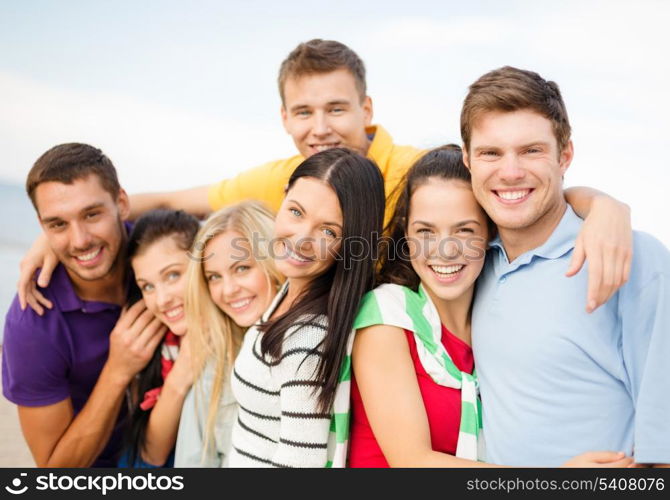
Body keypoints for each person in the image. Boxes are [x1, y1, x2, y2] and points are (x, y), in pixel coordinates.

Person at [19, 40, 634, 315]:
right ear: (284, 118)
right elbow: (174, 199)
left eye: (337, 108)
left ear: (367, 110)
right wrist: (62, 234)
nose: (321, 127)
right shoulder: (290, 179)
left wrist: (604, 206)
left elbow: (510, 186)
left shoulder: (419, 169)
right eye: (304, 112)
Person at [350, 146, 632, 468]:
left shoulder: (496, 311)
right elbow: (412, 461)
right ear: (406, 234)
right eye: (425, 231)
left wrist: (606, 207)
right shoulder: (387, 317)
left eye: (465, 230)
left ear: (490, 231)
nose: (445, 250)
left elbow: (547, 200)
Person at [461, 66, 670, 466]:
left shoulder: (635, 259)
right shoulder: (470, 263)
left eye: (531, 150)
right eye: (491, 152)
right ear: (467, 159)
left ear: (565, 156)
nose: (510, 171)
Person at [1, 143, 166, 467]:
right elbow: (54, 474)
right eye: (58, 224)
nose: (80, 241)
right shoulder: (33, 323)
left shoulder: (162, 254)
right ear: (42, 227)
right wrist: (117, 373)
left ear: (121, 202)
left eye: (91, 214)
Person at [228, 147, 385, 467]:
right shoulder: (290, 290)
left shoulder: (306, 339)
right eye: (296, 212)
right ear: (283, 197)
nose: (301, 239)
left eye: (328, 231)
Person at [175, 200, 283, 467]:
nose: (228, 290)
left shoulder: (320, 341)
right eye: (214, 277)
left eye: (242, 268)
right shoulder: (216, 364)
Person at [119, 209, 200, 467]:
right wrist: (182, 373)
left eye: (173, 275)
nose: (162, 300)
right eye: (148, 286)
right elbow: (151, 455)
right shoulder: (160, 346)